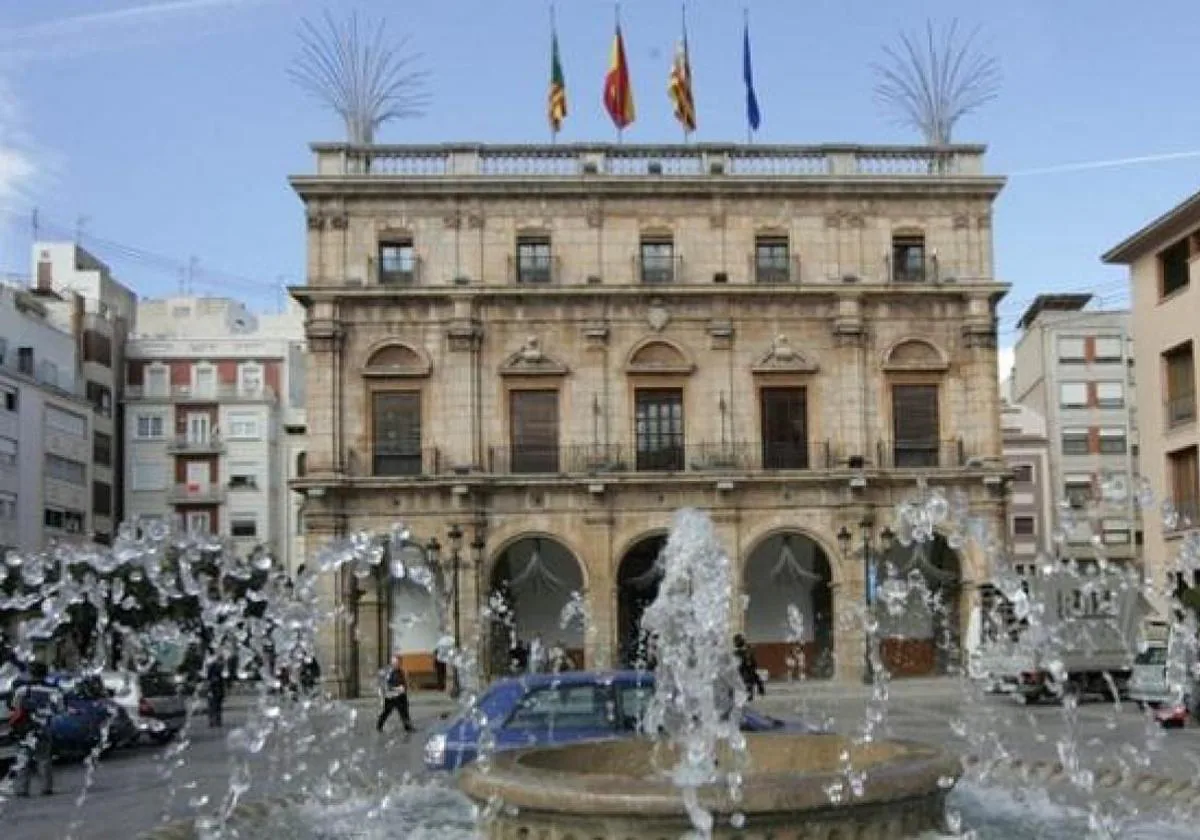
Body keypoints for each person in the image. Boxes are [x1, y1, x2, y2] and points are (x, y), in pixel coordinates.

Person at [8, 661, 64, 797]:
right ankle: (46, 788)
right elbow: (59, 709)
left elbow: (14, 706)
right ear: (45, 674)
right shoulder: (54, 690)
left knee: (23, 758)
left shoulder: (22, 689)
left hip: (25, 728)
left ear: (31, 673)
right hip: (44, 727)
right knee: (44, 758)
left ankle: (21, 789)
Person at [377, 654, 415, 734]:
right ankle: (379, 726)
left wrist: (404, 687)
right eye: (394, 663)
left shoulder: (401, 672)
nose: (396, 665)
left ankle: (408, 727)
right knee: (386, 712)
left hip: (401, 696)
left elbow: (405, 683)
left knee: (404, 712)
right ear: (392, 663)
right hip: (390, 697)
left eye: (398, 663)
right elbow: (385, 685)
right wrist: (395, 688)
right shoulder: (388, 673)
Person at [734, 634, 766, 698]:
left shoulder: (743, 651)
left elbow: (752, 662)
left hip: (747, 671)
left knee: (757, 680)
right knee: (750, 682)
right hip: (745, 672)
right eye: (742, 639)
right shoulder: (740, 652)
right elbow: (748, 662)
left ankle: (758, 692)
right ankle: (752, 694)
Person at [206, 656, 226, 728]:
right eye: (222, 662)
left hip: (217, 691)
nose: (223, 664)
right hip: (214, 691)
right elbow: (211, 682)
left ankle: (216, 721)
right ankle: (214, 721)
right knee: (214, 707)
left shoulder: (217, 669)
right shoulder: (214, 669)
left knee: (216, 707)